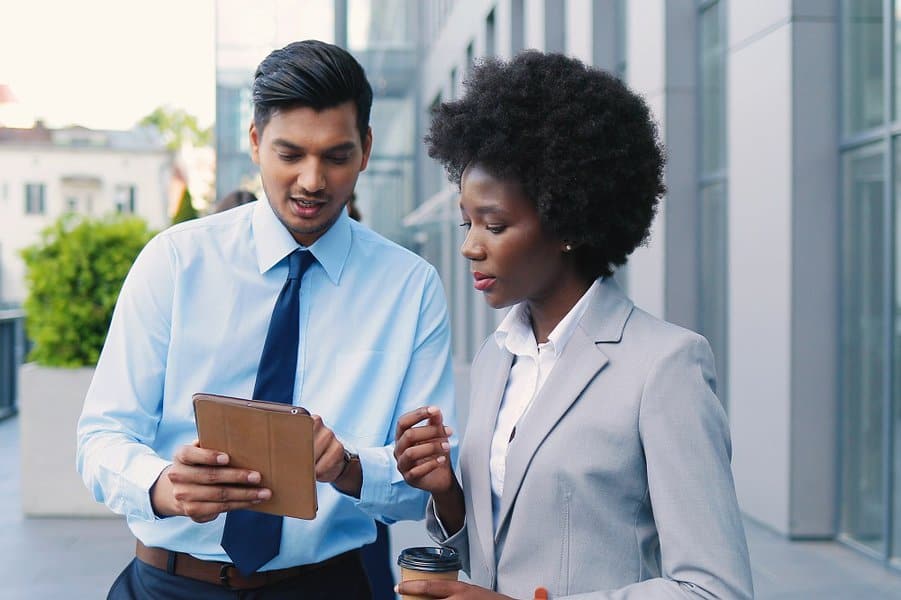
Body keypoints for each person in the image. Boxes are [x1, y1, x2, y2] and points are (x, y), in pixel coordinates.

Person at [77, 39, 455, 599]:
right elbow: (102, 437)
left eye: (335, 155)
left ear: (367, 148)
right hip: (169, 583)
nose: (311, 180)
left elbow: (425, 486)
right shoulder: (176, 262)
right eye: (290, 154)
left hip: (323, 586)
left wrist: (350, 467)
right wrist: (165, 485)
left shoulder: (411, 288)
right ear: (255, 142)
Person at [394, 51, 753, 599]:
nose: (469, 246)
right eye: (466, 222)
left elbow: (714, 590)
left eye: (494, 224)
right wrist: (446, 493)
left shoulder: (665, 366)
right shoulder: (498, 356)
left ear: (567, 220)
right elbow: (494, 558)